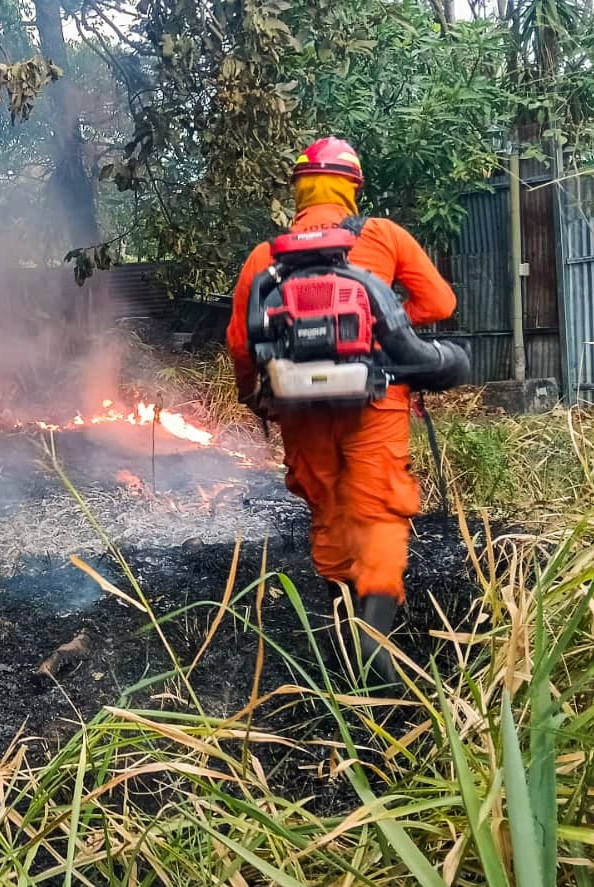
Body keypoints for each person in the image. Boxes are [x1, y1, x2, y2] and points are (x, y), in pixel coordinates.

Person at [225, 137, 458, 682]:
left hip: (297, 404)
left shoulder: (267, 257)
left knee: (328, 506)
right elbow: (440, 303)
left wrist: (253, 395)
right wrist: (386, 326)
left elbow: (241, 341)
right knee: (375, 507)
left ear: (298, 189)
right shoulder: (382, 236)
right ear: (353, 187)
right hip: (376, 399)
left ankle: (341, 627)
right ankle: (374, 648)